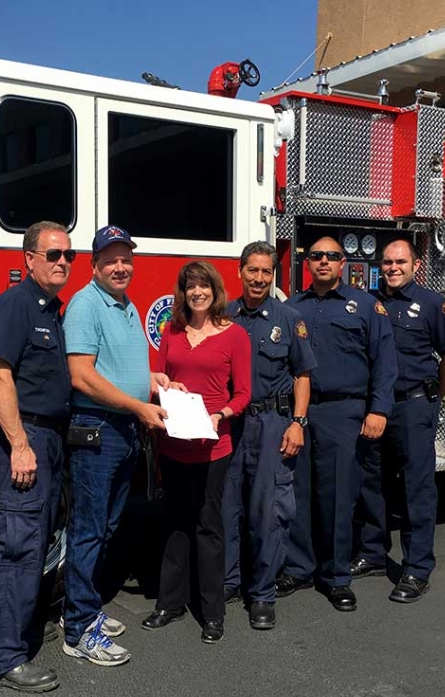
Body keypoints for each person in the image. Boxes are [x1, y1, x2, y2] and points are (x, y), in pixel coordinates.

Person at [61, 225, 168, 666]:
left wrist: (155, 384)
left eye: (126, 258)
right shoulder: (86, 305)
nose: (121, 266)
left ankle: (87, 609)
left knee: (105, 527)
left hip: (123, 430)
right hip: (98, 430)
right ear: (95, 265)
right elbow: (82, 376)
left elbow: (119, 368)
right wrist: (137, 406)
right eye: (111, 260)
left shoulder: (126, 305)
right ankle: (78, 629)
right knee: (88, 529)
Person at [279, 237, 397, 612]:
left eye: (331, 256)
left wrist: (378, 409)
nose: (323, 261)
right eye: (316, 256)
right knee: (298, 490)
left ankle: (336, 577)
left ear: (343, 262)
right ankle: (299, 568)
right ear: (306, 263)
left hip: (343, 412)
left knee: (337, 496)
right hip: (299, 412)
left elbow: (384, 362)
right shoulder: (293, 306)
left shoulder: (365, 306)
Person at [0, 221, 73, 692]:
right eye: (52, 254)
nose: (62, 262)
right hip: (28, 440)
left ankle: (11, 635)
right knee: (15, 547)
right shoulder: (16, 306)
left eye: (67, 255)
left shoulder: (52, 311)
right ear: (28, 259)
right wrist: (18, 444)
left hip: (50, 441)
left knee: (34, 544)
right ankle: (4, 657)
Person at [141, 261, 251, 644]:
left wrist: (221, 413)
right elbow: (159, 377)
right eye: (191, 286)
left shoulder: (234, 335)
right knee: (174, 523)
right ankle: (169, 604)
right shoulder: (171, 330)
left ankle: (212, 612)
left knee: (208, 525)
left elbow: (243, 394)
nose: (198, 292)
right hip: (174, 443)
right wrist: (165, 385)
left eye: (204, 285)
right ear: (183, 292)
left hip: (213, 445)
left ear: (215, 289)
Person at [352, 239, 445, 602]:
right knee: (371, 481)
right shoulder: (369, 303)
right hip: (376, 407)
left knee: (416, 489)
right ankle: (372, 553)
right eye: (386, 262)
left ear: (416, 265)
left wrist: (432, 396)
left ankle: (416, 568)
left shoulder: (434, 305)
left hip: (414, 406)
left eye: (400, 261)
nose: (393, 268)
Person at [223, 242, 316, 630]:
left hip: (273, 423)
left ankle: (262, 594)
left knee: (269, 512)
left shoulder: (289, 317)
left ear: (273, 274)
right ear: (240, 272)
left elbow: (303, 375)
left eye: (266, 272)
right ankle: (227, 582)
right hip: (231, 425)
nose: (259, 279)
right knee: (226, 507)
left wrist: (298, 422)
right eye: (253, 271)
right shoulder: (222, 316)